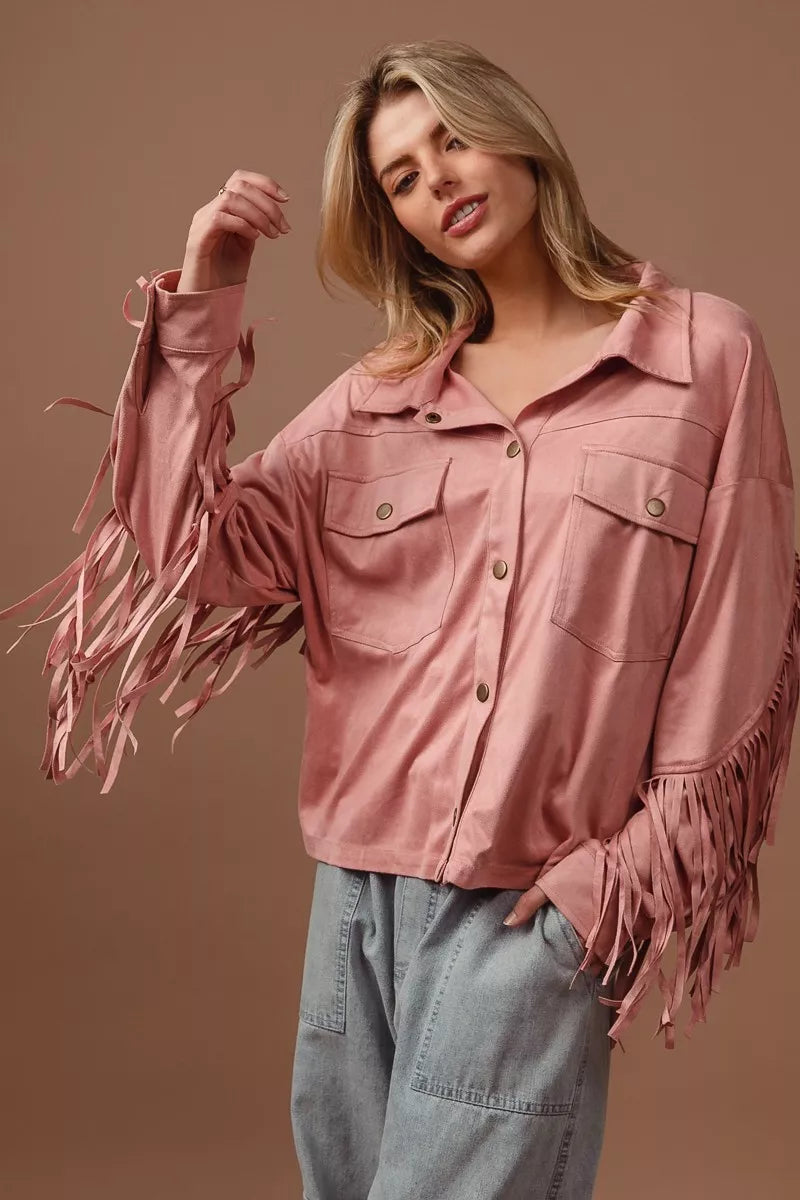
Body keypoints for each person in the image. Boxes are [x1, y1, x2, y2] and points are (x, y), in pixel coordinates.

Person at [2, 38, 798, 1200]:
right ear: (394, 221)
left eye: (452, 138)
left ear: (516, 133)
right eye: (401, 177)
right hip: (353, 911)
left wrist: (603, 894)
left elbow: (735, 651)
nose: (439, 181)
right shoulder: (378, 403)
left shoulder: (701, 358)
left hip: (528, 909)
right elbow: (183, 549)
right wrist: (206, 291)